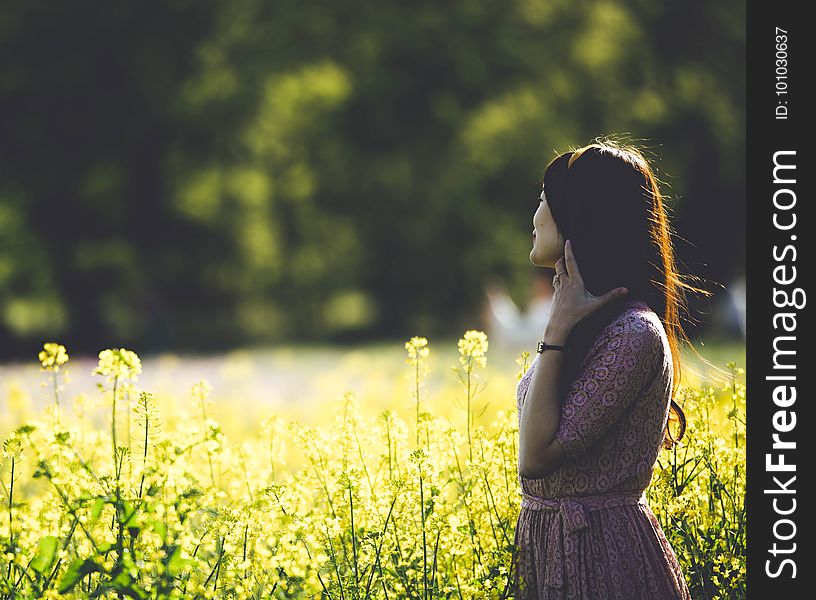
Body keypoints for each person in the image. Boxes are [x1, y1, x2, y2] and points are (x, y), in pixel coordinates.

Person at [513, 139, 700, 599]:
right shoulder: (579, 328)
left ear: (579, 216)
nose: (534, 216)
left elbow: (534, 458)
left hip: (603, 560)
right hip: (547, 546)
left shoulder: (634, 335)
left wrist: (555, 328)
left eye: (543, 199)